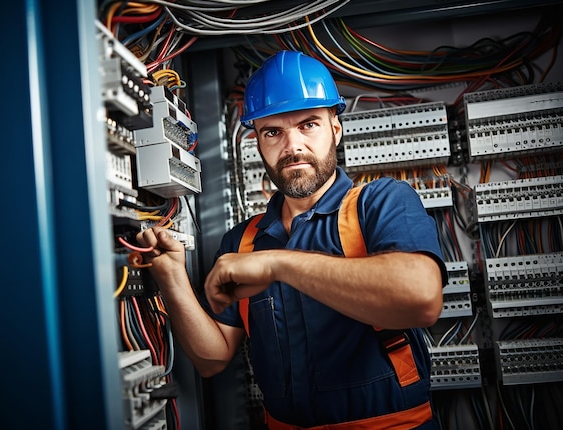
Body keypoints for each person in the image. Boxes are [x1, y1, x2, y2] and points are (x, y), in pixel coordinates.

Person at [137, 50, 448, 429]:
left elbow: (421, 301)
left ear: (335, 129)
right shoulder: (243, 242)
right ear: (258, 143)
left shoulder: (380, 203)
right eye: (273, 132)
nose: (292, 146)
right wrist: (171, 278)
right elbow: (212, 359)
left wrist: (278, 264)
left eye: (308, 125)